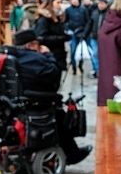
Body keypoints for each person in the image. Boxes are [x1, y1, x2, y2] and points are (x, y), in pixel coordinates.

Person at [8, 29, 93, 166]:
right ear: (30, 45)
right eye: (37, 44)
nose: (39, 47)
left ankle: (70, 152)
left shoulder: (11, 57)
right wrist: (48, 54)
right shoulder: (35, 58)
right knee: (59, 115)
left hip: (15, 101)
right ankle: (72, 154)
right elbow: (54, 73)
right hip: (36, 101)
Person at [33, 0, 69, 71]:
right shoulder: (44, 19)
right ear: (51, 3)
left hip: (58, 56)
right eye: (58, 2)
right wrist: (61, 38)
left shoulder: (58, 17)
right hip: (49, 57)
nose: (60, 5)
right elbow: (41, 38)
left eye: (61, 2)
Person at [85, 0, 110, 77]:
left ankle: (103, 70)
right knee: (95, 54)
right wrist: (85, 34)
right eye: (99, 3)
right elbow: (89, 24)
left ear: (106, 4)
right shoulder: (94, 13)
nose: (101, 5)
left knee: (103, 55)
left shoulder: (109, 14)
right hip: (94, 37)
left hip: (105, 39)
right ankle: (97, 70)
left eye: (103, 3)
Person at [63, 0, 88, 74]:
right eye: (73, 0)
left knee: (81, 51)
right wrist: (67, 29)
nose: (74, 1)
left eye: (76, 0)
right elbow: (65, 21)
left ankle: (80, 65)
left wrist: (85, 32)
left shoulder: (83, 10)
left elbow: (87, 21)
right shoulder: (68, 10)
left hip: (81, 33)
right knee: (73, 51)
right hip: (72, 33)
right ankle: (74, 67)